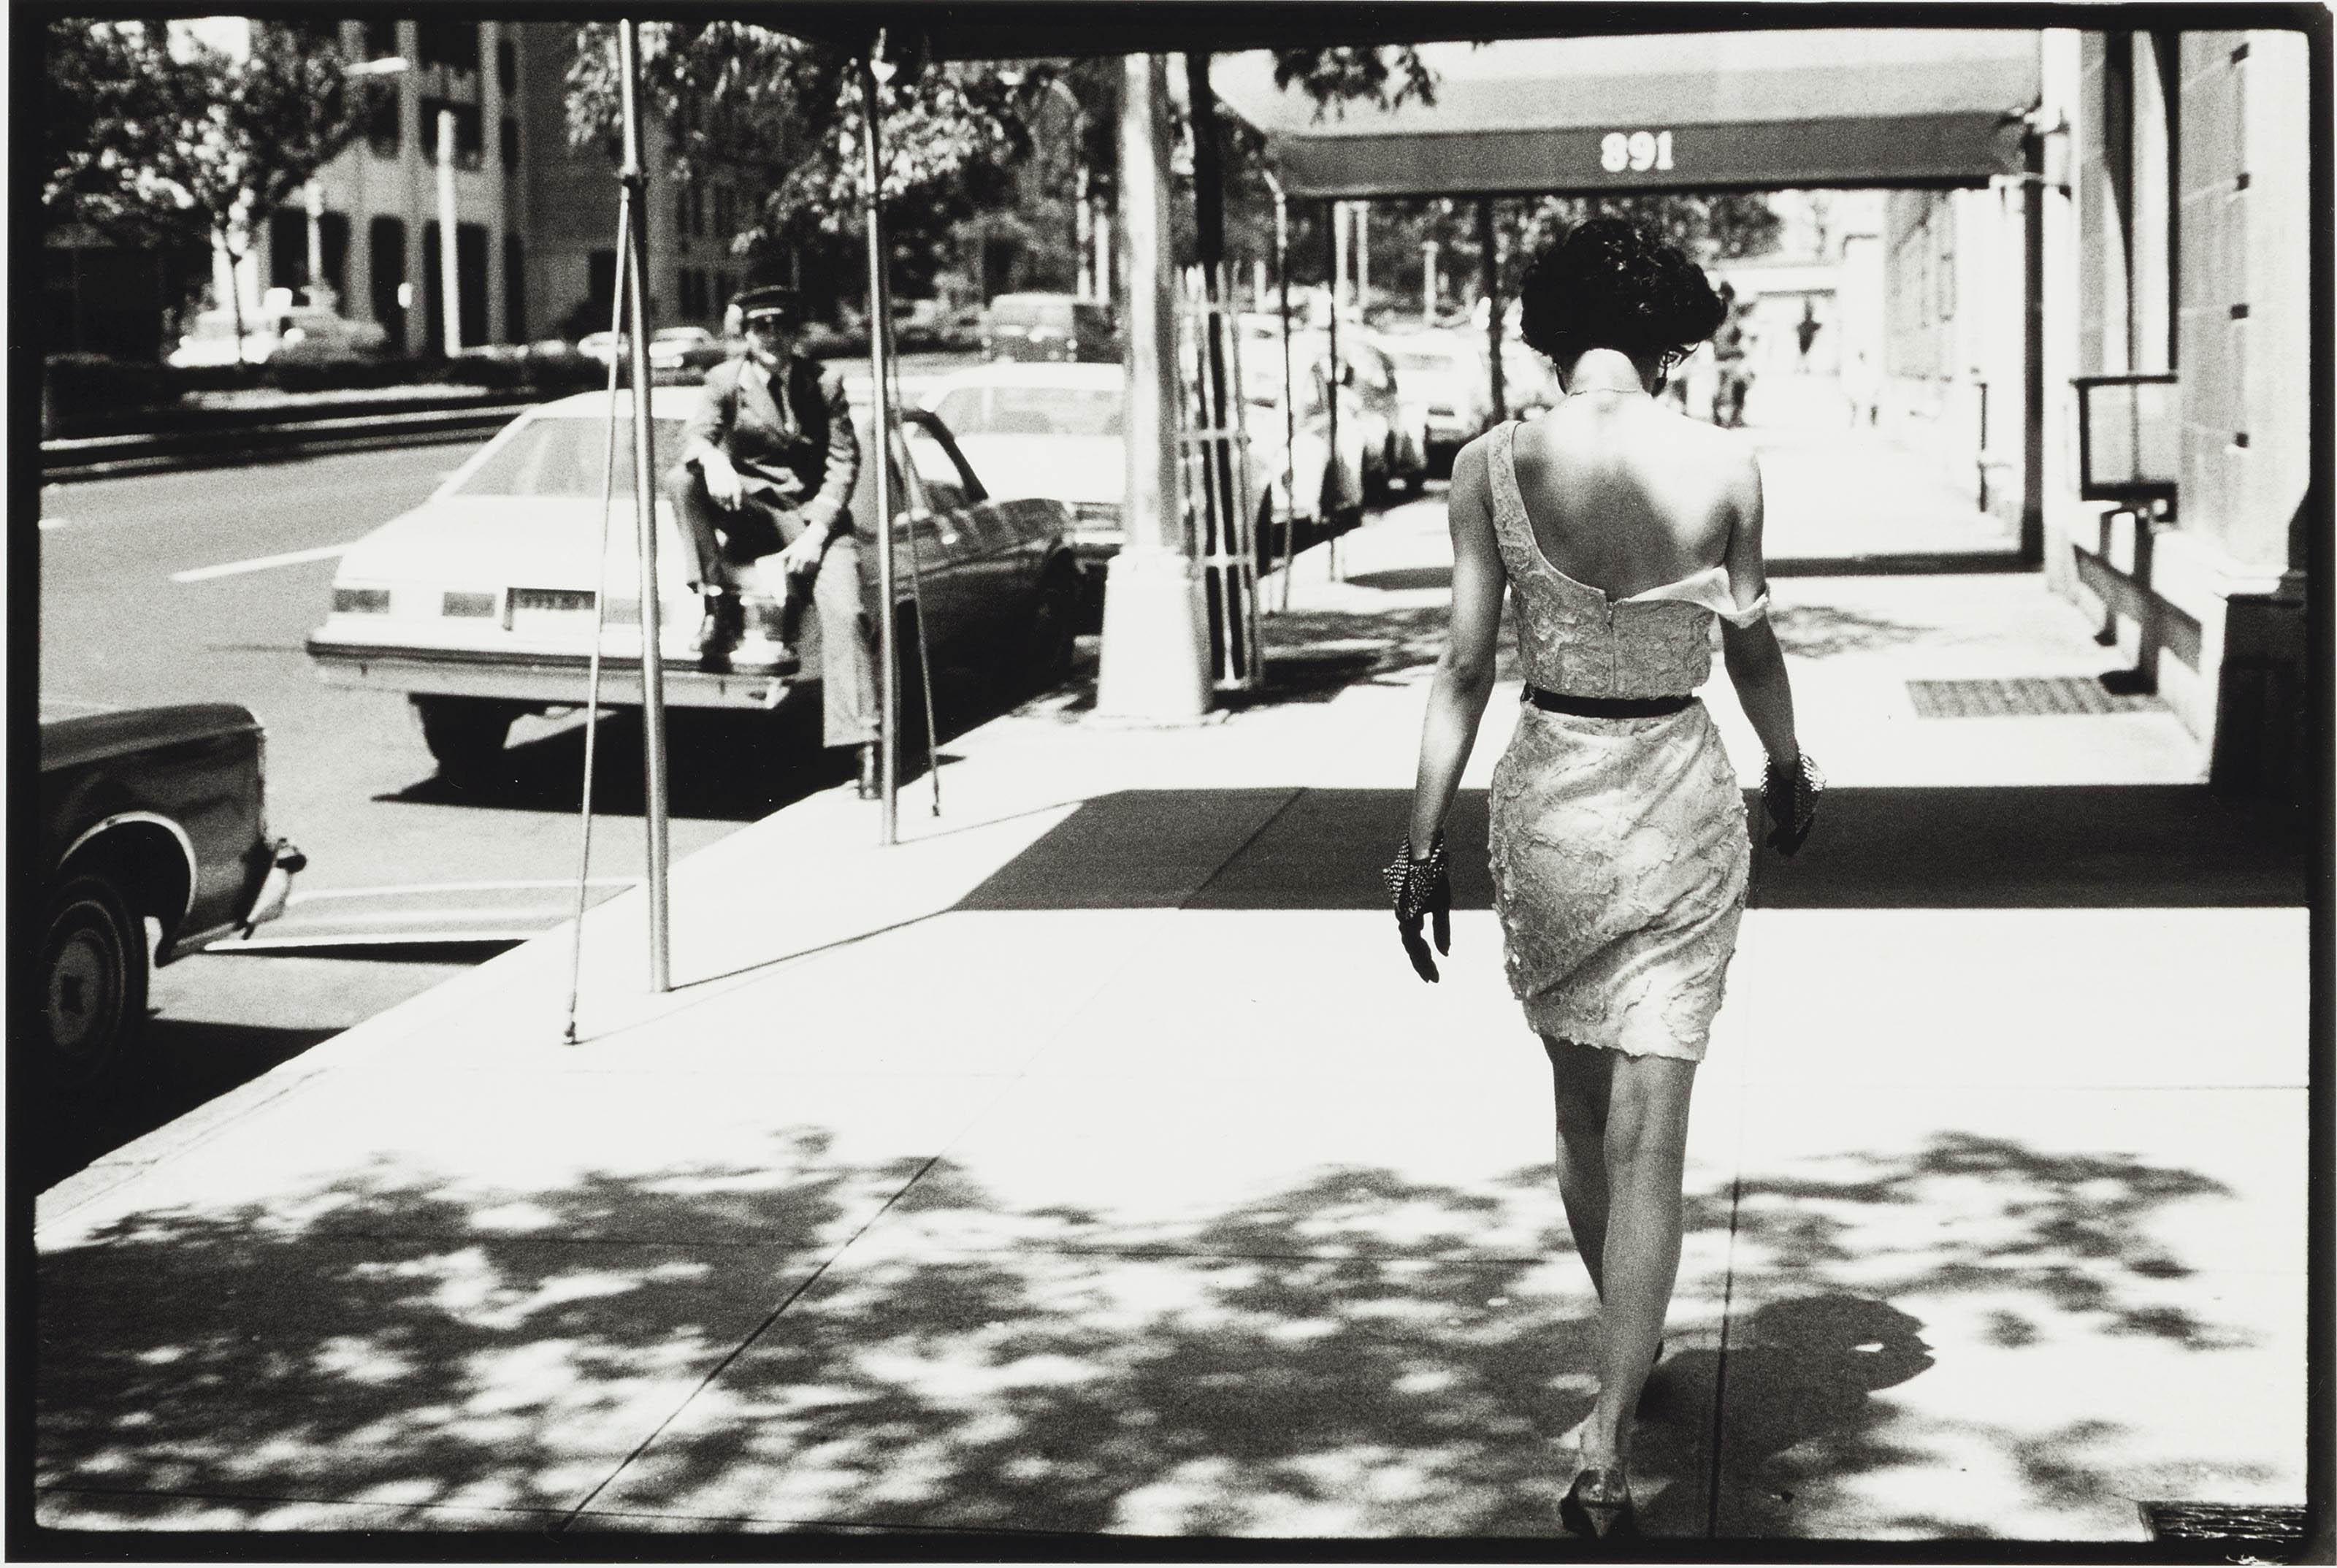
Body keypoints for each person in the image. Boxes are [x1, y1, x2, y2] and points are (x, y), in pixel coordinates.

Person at [1382, 218, 1821, 1540]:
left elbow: (1464, 666)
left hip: (1554, 789)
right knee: (1657, 1126)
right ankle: (1611, 1428)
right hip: (1679, 788)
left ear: (1549, 326)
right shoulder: (1728, 463)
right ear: (1675, 331)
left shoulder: (1489, 467)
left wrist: (1419, 840)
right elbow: (1751, 649)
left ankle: (1623, 1354)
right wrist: (1789, 761)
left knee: (1582, 1111)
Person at [663, 284, 881, 798]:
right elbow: (694, 435)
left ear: (794, 331)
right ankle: (715, 603)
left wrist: (820, 531)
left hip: (814, 522)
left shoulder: (824, 383)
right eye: (761, 326)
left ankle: (865, 746)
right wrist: (714, 458)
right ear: (746, 332)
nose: (772, 336)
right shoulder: (724, 380)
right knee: (681, 479)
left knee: (847, 614)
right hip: (755, 515)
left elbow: (843, 462)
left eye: (782, 326)